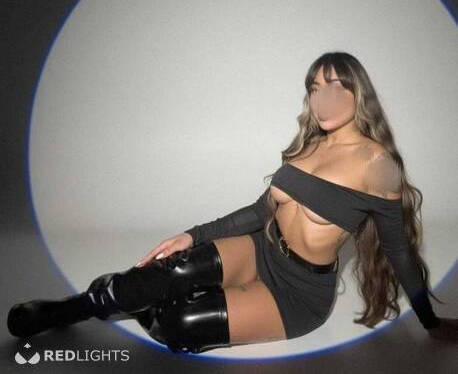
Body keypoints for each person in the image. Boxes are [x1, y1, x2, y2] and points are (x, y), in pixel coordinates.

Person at [7, 51, 458, 353]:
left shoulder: (376, 163)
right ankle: (66, 309)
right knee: (170, 270)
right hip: (262, 249)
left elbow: (398, 250)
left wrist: (430, 322)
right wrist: (191, 235)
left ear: (359, 93)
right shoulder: (309, 144)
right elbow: (261, 211)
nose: (323, 99)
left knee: (178, 326)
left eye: (336, 87)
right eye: (315, 88)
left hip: (298, 293)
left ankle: (135, 297)